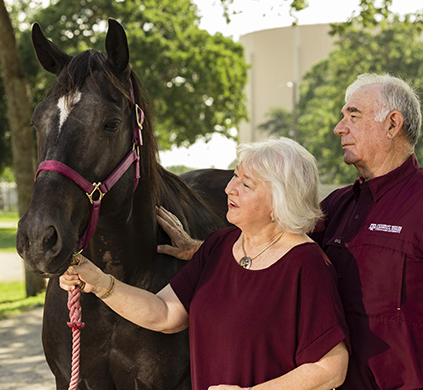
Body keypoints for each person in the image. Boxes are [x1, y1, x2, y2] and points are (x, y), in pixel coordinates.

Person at [158, 74, 423, 390]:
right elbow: (276, 249)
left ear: (392, 124)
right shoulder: (337, 206)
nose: (339, 128)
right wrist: (202, 251)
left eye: (353, 116)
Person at [60, 137, 349, 390]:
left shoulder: (306, 264)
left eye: (245, 184)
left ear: (279, 202)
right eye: (235, 176)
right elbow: (164, 314)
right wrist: (99, 283)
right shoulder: (220, 246)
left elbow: (331, 369)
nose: (229, 189)